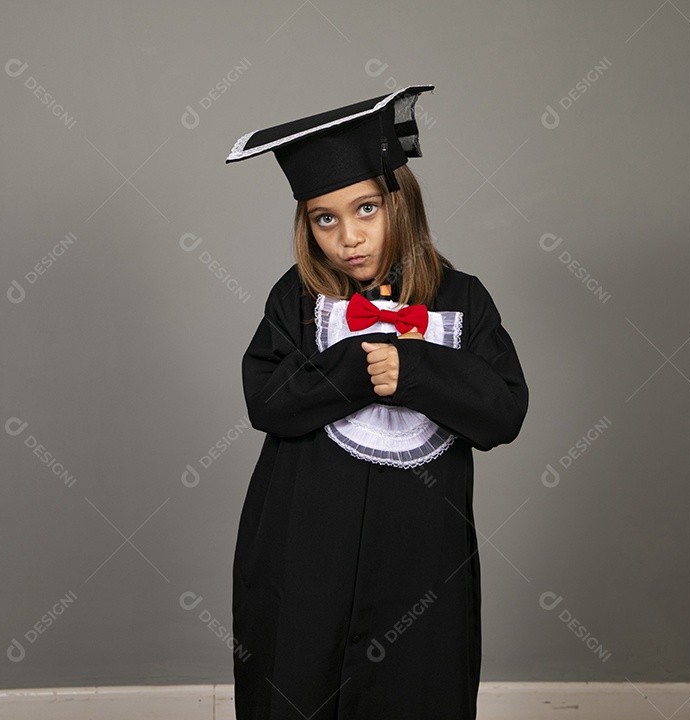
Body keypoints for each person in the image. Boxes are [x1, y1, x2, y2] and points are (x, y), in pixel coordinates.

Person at [225, 85, 529, 720]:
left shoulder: (463, 300)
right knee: (301, 676)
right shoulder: (296, 301)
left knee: (412, 686)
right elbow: (267, 401)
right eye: (325, 218)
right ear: (307, 225)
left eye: (366, 209)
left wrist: (415, 368)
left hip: (419, 553)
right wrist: (357, 369)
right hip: (303, 541)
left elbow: (502, 413)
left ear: (402, 204)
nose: (348, 237)